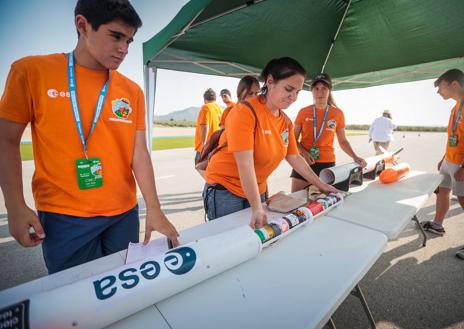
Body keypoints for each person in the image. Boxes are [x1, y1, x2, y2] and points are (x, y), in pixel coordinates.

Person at [0, 0, 179, 274]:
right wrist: (15, 206)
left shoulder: (131, 91)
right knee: (80, 305)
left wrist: (154, 208)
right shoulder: (31, 72)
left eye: (129, 41)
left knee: (125, 290)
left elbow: (139, 153)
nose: (124, 49)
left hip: (123, 214)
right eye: (116, 36)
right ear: (82, 25)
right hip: (65, 217)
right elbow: (6, 139)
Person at [203, 57, 339, 228]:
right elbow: (245, 164)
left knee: (256, 239)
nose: (293, 97)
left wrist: (321, 185)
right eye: (289, 89)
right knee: (229, 240)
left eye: (297, 92)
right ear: (270, 81)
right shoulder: (245, 111)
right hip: (226, 190)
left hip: (256, 189)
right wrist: (257, 207)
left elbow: (295, 158)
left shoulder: (285, 122)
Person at [290, 73, 367, 192]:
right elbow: (292, 138)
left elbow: (343, 141)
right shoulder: (303, 112)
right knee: (295, 200)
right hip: (304, 162)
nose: (320, 92)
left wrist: (355, 156)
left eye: (324, 88)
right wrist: (304, 153)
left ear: (329, 91)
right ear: (312, 91)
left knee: (323, 201)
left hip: (326, 164)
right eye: (316, 88)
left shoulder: (337, 113)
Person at [422, 69, 464, 243]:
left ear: (454, 84)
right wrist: (444, 157)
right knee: (442, 191)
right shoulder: (456, 106)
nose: (439, 92)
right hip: (449, 160)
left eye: (441, 87)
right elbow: (455, 136)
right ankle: (437, 224)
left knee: (462, 199)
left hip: (460, 164)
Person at [194, 88, 222, 164]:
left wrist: (204, 144)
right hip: (215, 145)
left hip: (206, 146)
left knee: (199, 165)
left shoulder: (205, 108)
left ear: (204, 99)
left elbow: (205, 126)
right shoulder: (219, 108)